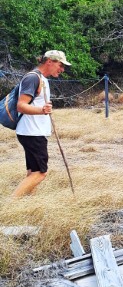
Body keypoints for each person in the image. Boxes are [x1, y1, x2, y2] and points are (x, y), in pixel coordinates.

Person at [12, 50, 71, 198]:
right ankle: (10, 203)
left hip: (32, 132)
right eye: (60, 65)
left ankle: (30, 201)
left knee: (33, 171)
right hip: (32, 132)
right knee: (40, 173)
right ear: (49, 61)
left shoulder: (41, 78)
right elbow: (21, 105)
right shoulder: (33, 78)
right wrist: (42, 110)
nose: (62, 69)